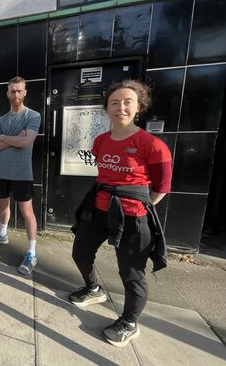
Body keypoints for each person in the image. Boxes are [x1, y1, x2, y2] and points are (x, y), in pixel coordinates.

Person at [69, 79, 172, 348]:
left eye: (128, 102)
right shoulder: (101, 140)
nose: (120, 107)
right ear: (107, 108)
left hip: (133, 217)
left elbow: (161, 188)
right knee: (80, 253)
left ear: (139, 107)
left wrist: (136, 206)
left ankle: (129, 322)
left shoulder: (152, 144)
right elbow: (103, 173)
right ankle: (93, 289)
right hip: (98, 210)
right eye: (114, 102)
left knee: (132, 273)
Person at [0, 76, 41, 275]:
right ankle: (2, 233)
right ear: (7, 93)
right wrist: (16, 138)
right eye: (12, 91)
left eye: (19, 90)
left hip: (22, 174)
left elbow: (27, 142)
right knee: (2, 205)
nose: (15, 94)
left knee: (26, 212)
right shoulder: (1, 120)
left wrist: (4, 139)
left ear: (25, 92)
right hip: (1, 172)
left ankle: (31, 252)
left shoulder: (33, 116)